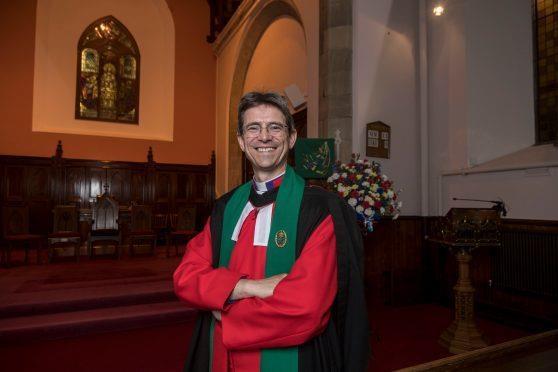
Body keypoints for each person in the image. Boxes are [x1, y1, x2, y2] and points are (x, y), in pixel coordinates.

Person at [173, 91, 369, 372]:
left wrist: (223, 307)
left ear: (291, 139)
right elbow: (185, 278)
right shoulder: (226, 208)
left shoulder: (319, 210)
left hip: (293, 359)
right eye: (253, 128)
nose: (264, 137)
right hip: (223, 359)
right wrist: (246, 287)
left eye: (275, 127)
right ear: (241, 141)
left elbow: (306, 306)